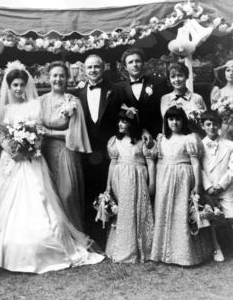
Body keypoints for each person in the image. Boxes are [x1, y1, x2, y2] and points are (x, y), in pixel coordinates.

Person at [0, 62, 104, 274]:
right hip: (13, 160)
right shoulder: (7, 109)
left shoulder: (34, 105)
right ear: (9, 88)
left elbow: (38, 131)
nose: (18, 89)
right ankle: (7, 251)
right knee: (9, 203)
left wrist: (29, 145)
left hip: (32, 159)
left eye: (21, 84)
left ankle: (49, 246)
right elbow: (1, 133)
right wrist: (12, 149)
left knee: (41, 198)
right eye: (15, 85)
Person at [150, 106, 212, 266]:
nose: (174, 122)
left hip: (183, 177)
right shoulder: (162, 138)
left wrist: (197, 185)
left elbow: (195, 163)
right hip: (164, 177)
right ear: (166, 121)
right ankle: (164, 252)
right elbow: (158, 161)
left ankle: (184, 254)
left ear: (183, 120)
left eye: (178, 119)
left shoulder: (190, 138)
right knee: (164, 211)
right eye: (171, 119)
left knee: (182, 212)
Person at [72, 54, 121, 246]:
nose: (93, 70)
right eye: (89, 67)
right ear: (85, 70)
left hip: (108, 151)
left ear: (103, 68)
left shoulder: (114, 90)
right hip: (86, 152)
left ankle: (111, 235)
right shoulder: (78, 93)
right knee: (89, 192)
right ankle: (93, 236)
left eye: (96, 67)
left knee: (110, 192)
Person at [39, 61, 92, 232]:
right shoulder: (40, 101)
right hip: (44, 153)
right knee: (47, 195)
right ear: (49, 78)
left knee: (66, 194)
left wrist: (49, 132)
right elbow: (35, 127)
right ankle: (53, 237)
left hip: (66, 153)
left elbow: (75, 134)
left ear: (67, 78)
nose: (58, 79)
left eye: (62, 75)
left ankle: (71, 234)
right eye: (55, 75)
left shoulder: (73, 101)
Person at [105, 106, 155, 263]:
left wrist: (152, 183)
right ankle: (122, 248)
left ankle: (141, 248)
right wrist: (108, 185)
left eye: (125, 121)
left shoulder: (141, 142)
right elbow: (112, 165)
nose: (120, 124)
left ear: (132, 124)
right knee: (123, 210)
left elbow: (150, 164)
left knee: (138, 210)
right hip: (120, 180)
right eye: (119, 121)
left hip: (138, 179)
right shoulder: (115, 142)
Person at [114, 47, 169, 142]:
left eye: (137, 61)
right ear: (125, 67)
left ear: (143, 64)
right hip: (130, 138)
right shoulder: (118, 88)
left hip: (156, 136)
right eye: (130, 62)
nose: (134, 65)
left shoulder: (158, 83)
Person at [201, 110, 233, 262]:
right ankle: (216, 248)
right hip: (208, 189)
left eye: (215, 124)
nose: (212, 127)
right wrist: (208, 187)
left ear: (219, 126)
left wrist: (220, 185)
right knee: (210, 218)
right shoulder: (199, 145)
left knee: (231, 216)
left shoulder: (229, 145)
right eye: (208, 124)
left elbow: (232, 169)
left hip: (226, 188)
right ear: (203, 126)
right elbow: (198, 168)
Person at [160, 62, 207, 136]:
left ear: (186, 77)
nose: (177, 79)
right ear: (169, 79)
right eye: (173, 76)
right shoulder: (165, 99)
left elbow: (205, 122)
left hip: (195, 138)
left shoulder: (197, 98)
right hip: (175, 141)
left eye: (180, 75)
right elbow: (165, 124)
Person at [210, 59, 233, 140]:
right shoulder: (218, 92)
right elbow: (214, 114)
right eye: (228, 70)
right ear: (224, 73)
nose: (231, 73)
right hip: (224, 129)